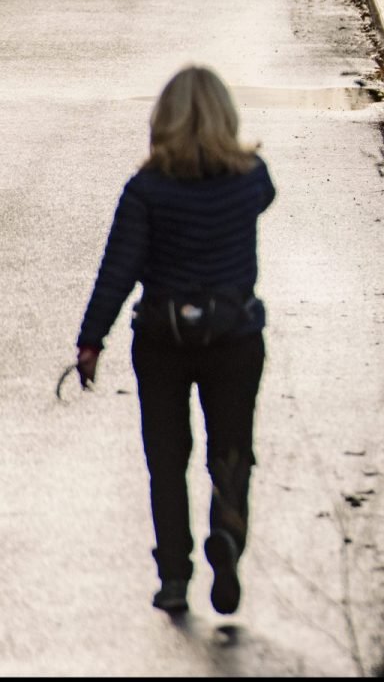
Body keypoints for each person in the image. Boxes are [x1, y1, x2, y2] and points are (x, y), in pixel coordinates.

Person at [75, 66, 276, 616]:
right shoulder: (251, 178)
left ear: (162, 119)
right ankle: (228, 537)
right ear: (224, 117)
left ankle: (173, 575)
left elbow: (118, 270)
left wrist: (91, 340)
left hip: (162, 338)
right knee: (231, 451)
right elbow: (264, 196)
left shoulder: (146, 190)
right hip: (234, 336)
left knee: (167, 458)